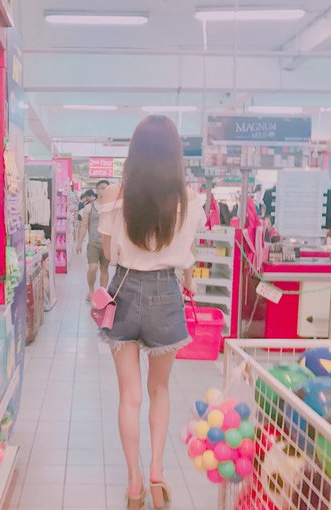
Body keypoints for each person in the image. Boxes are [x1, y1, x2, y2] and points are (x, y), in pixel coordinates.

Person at [97, 116, 205, 509]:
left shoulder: (115, 194)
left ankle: (134, 483)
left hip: (124, 291)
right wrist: (188, 280)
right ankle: (157, 472)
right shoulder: (189, 199)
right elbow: (188, 256)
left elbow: (108, 254)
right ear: (175, 154)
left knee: (129, 395)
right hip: (165, 292)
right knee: (159, 390)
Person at [76, 185, 110, 301]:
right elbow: (84, 225)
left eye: (106, 188)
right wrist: (79, 242)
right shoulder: (89, 207)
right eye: (102, 188)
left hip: (107, 243)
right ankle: (91, 290)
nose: (104, 190)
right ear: (97, 190)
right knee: (93, 268)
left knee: (104, 269)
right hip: (93, 243)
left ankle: (102, 293)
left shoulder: (111, 206)